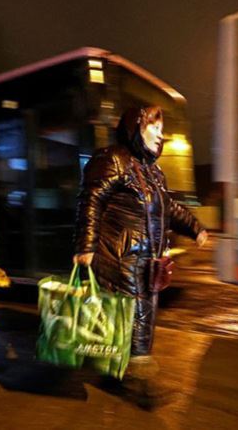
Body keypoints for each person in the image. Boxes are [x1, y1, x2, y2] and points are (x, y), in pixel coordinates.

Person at [73, 106, 208, 392]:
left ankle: (121, 368)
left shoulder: (153, 171)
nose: (161, 135)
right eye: (155, 128)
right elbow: (91, 201)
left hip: (148, 258)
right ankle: (141, 379)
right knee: (135, 313)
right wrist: (86, 246)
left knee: (139, 312)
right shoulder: (113, 159)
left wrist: (195, 227)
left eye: (161, 130)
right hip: (120, 255)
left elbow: (168, 207)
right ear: (136, 128)